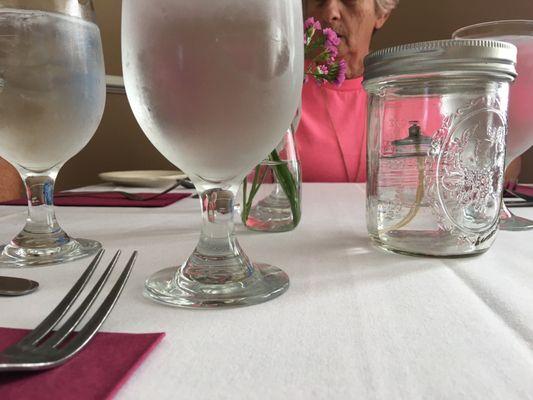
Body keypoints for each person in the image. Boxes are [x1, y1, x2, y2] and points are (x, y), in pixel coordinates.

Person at [296, 0, 399, 182]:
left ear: (382, 14)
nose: (330, 14)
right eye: (319, 1)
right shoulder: (283, 89)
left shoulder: (408, 95)